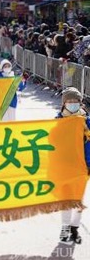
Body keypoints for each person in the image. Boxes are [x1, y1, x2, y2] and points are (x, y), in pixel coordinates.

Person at [57, 87, 90, 245]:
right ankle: (65, 227)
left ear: (80, 102)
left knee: (78, 200)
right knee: (66, 200)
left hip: (82, 168)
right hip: (64, 167)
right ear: (63, 104)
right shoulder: (58, 121)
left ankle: (75, 228)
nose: (72, 104)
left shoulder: (87, 121)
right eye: (69, 101)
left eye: (75, 101)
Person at [0, 55, 27, 121]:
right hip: (1, 102)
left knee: (12, 122)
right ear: (2, 67)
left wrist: (24, 80)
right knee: (3, 121)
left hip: (12, 102)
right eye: (5, 66)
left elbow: (20, 87)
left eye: (8, 66)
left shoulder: (13, 77)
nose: (7, 68)